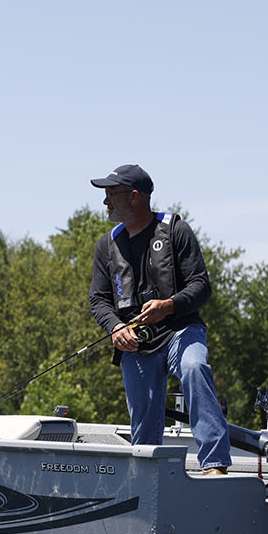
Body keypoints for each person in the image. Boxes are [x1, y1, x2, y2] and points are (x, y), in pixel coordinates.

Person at [88, 164, 231, 474]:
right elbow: (98, 299)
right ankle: (148, 478)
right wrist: (115, 327)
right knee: (144, 416)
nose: (105, 202)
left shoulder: (176, 230)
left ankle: (215, 464)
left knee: (195, 368)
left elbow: (201, 286)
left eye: (111, 194)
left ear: (135, 197)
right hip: (137, 343)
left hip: (181, 330)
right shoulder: (106, 245)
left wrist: (169, 305)